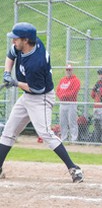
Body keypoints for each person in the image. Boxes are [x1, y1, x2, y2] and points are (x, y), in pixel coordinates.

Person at [0, 22, 83, 182]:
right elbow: (10, 55)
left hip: (41, 97)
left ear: (25, 40)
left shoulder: (36, 62)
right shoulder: (26, 44)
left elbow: (36, 89)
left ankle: (74, 168)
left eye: (16, 39)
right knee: (9, 131)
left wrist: (15, 82)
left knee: (45, 133)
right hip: (27, 96)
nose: (13, 41)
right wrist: (6, 73)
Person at [56, 64, 81, 142]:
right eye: (67, 70)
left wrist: (64, 95)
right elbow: (57, 91)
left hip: (71, 103)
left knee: (72, 122)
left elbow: (73, 92)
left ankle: (74, 139)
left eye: (69, 70)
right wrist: (61, 96)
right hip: (62, 103)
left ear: (72, 70)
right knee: (62, 122)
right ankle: (64, 138)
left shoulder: (76, 80)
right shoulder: (62, 80)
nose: (68, 71)